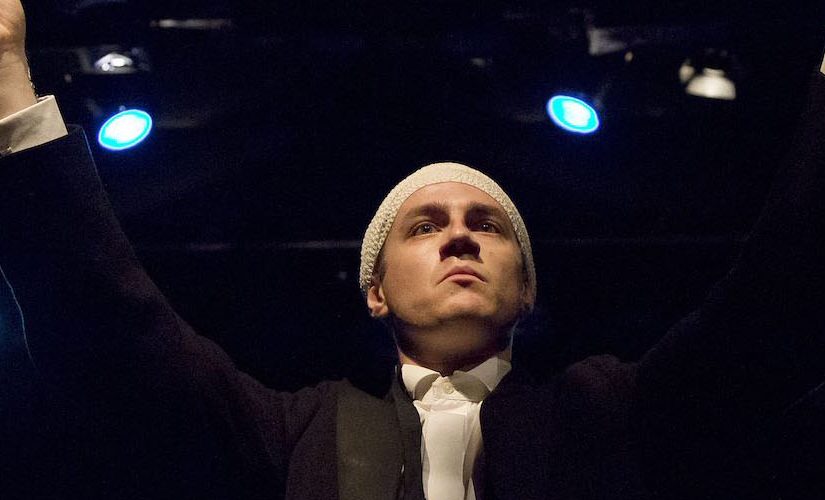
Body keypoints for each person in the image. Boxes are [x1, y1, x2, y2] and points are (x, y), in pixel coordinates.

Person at [2, 2, 825, 499]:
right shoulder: (292, 430)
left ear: (527, 290)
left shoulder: (609, 411)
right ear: (374, 292)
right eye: (424, 225)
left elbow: (777, 298)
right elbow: (111, 325)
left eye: (488, 224)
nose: (461, 232)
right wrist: (9, 81)